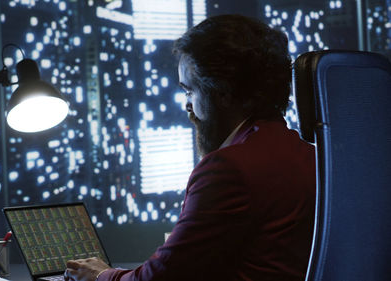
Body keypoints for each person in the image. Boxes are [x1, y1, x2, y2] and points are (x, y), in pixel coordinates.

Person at [65, 14, 315, 281]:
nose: (188, 106)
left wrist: (102, 276)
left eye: (189, 91)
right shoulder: (311, 157)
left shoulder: (228, 169)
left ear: (223, 92)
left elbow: (162, 278)